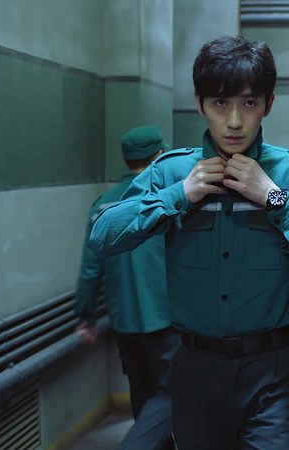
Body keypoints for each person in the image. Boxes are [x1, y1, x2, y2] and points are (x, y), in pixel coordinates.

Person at [88, 35, 289, 450]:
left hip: (275, 372)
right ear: (199, 103)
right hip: (196, 370)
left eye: (248, 103)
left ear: (268, 104)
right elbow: (103, 235)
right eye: (219, 102)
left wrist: (277, 200)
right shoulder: (171, 171)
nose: (234, 121)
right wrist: (178, 195)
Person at [73, 125, 179, 450]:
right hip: (166, 318)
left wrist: (86, 316)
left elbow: (91, 268)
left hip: (125, 321)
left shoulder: (103, 206)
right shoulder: (165, 200)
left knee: (144, 397)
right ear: (158, 156)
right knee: (173, 396)